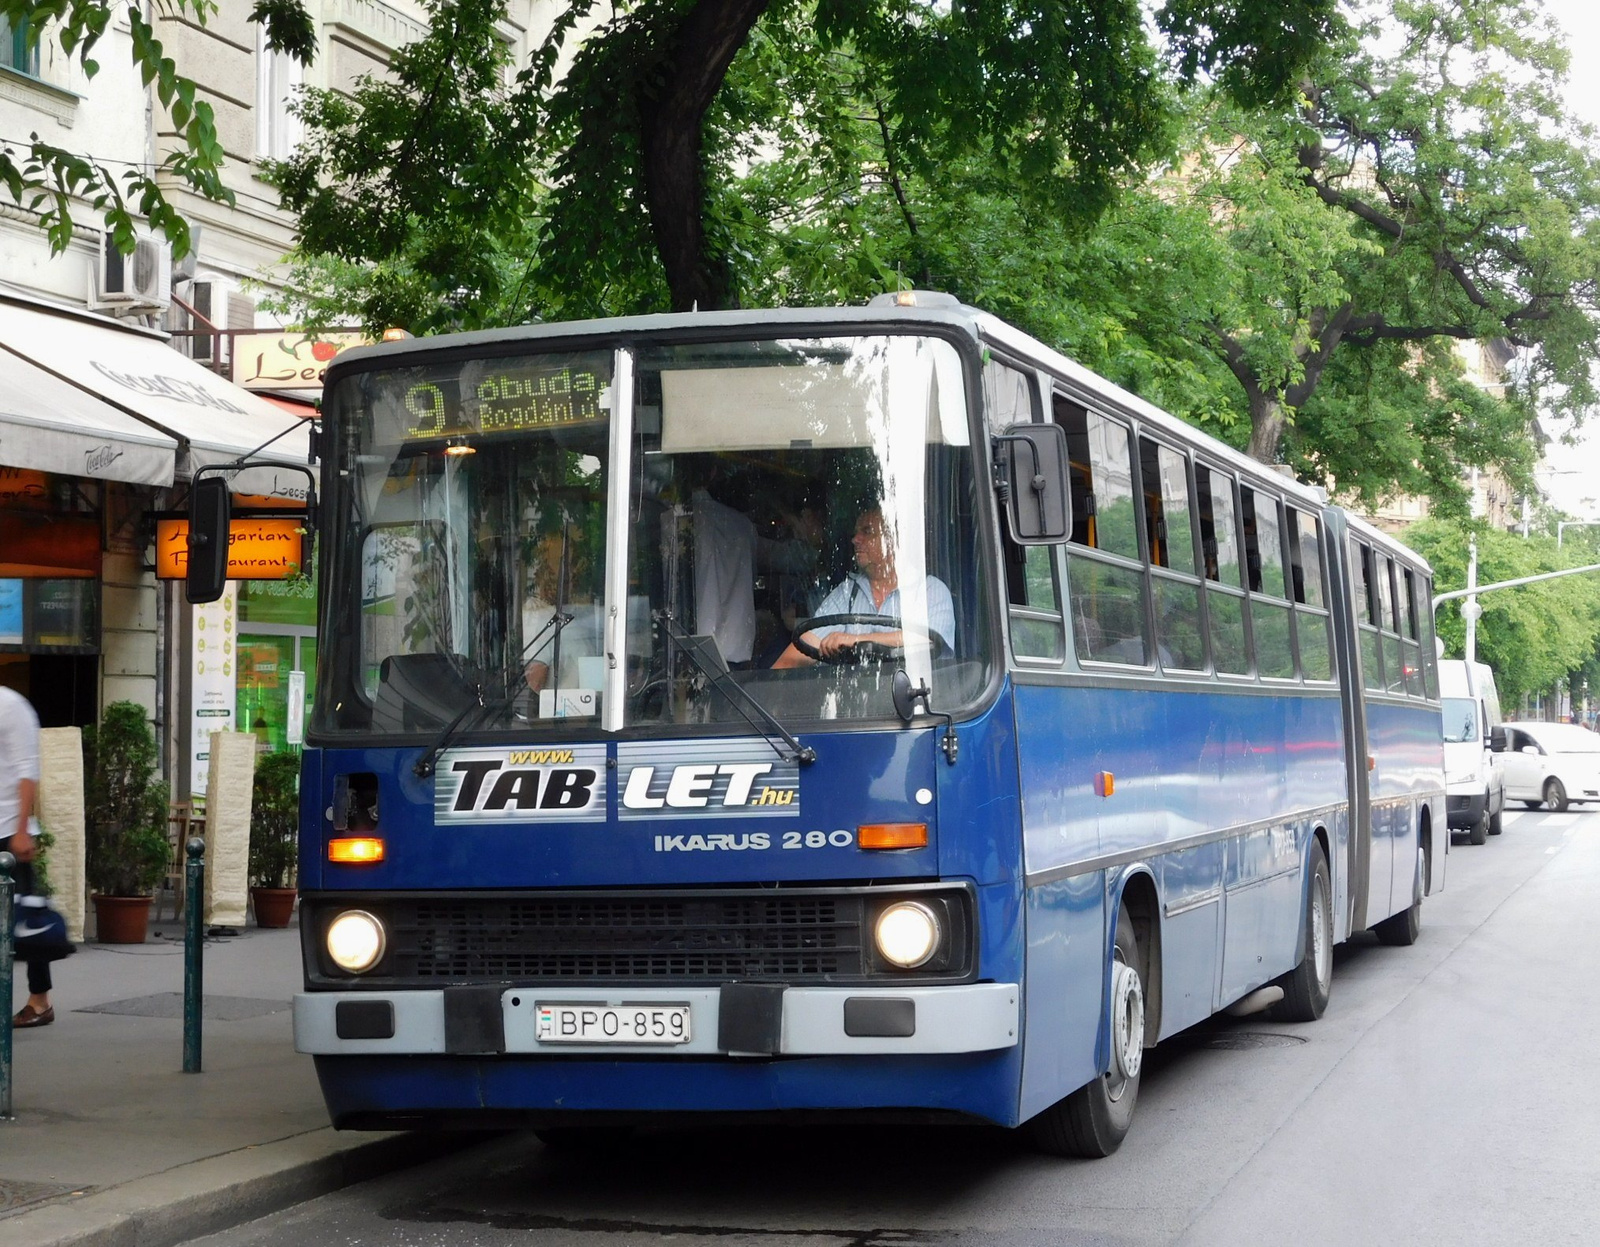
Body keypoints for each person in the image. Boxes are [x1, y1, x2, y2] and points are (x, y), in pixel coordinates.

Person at [772, 505, 955, 668]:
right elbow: (801, 651)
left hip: (916, 702)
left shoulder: (930, 590)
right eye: (855, 533)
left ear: (893, 538)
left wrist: (855, 641)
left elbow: (927, 639)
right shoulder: (846, 594)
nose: (855, 539)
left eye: (867, 531)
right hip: (856, 703)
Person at [0, 684, 52, 1027]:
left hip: (8, 829)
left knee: (28, 922)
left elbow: (27, 770)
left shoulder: (10, 705)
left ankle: (39, 1001)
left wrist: (21, 830)